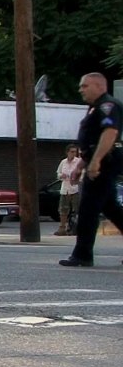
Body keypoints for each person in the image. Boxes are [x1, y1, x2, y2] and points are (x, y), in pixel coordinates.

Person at [59, 72, 123, 266]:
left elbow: (110, 133)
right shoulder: (94, 108)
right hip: (100, 159)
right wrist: (81, 163)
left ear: (100, 86)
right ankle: (82, 254)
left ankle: (82, 255)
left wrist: (96, 161)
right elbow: (90, 141)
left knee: (88, 208)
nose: (81, 90)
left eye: (85, 86)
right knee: (110, 208)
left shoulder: (107, 105)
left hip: (106, 160)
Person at [53, 144, 81, 236]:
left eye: (75, 152)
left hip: (75, 188)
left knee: (76, 209)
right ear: (67, 152)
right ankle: (62, 228)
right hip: (65, 188)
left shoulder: (79, 162)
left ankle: (75, 228)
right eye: (72, 152)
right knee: (63, 209)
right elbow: (58, 174)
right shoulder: (63, 162)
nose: (74, 154)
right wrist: (61, 176)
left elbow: (82, 174)